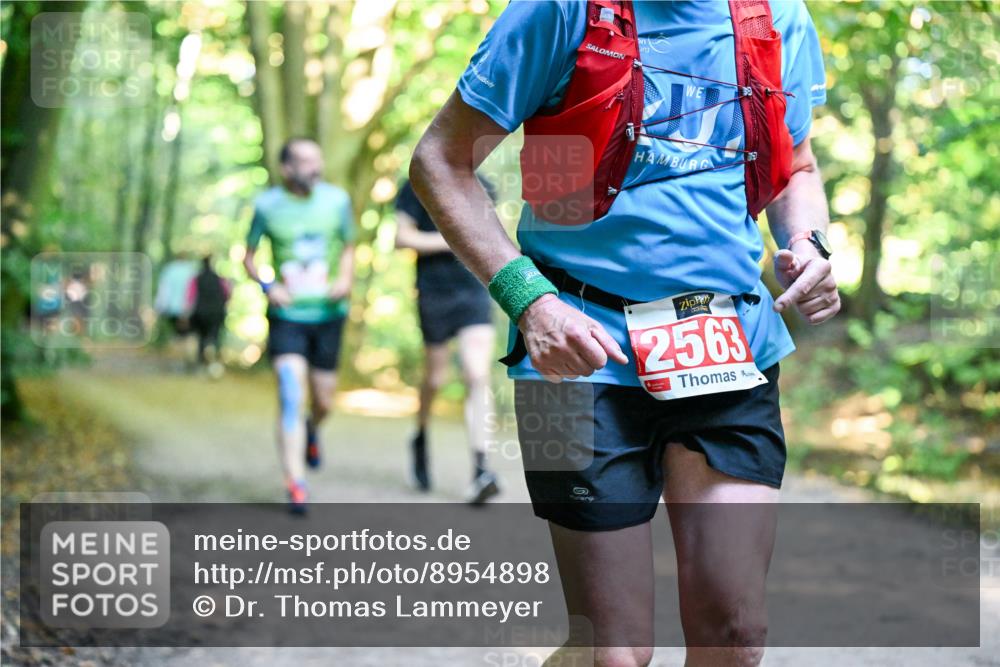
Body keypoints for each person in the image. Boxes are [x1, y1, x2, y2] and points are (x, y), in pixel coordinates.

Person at [410, 2, 837, 665]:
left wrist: (806, 241)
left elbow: (798, 166)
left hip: (729, 342)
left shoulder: (779, 17)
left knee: (737, 634)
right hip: (571, 354)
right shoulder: (559, 12)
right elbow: (441, 160)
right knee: (611, 652)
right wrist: (528, 301)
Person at [243, 137, 356, 515]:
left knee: (324, 401)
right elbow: (247, 255)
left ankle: (312, 429)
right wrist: (267, 285)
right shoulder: (267, 205)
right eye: (306, 162)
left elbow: (350, 246)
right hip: (287, 318)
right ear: (287, 168)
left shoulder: (337, 201)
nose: (315, 167)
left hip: (328, 315)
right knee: (290, 392)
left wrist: (344, 278)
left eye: (317, 159)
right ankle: (295, 482)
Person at [394, 176, 501, 504]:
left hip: (474, 290)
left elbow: (490, 238)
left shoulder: (485, 185)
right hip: (434, 292)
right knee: (435, 379)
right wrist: (451, 239)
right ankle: (421, 436)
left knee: (476, 373)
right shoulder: (415, 184)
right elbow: (402, 237)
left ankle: (481, 469)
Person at [186, 254, 231, 374]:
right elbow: (227, 294)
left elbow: (190, 297)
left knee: (201, 337)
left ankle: (202, 363)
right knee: (215, 337)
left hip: (200, 313)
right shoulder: (220, 279)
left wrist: (187, 312)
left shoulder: (196, 279)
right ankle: (214, 363)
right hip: (217, 313)